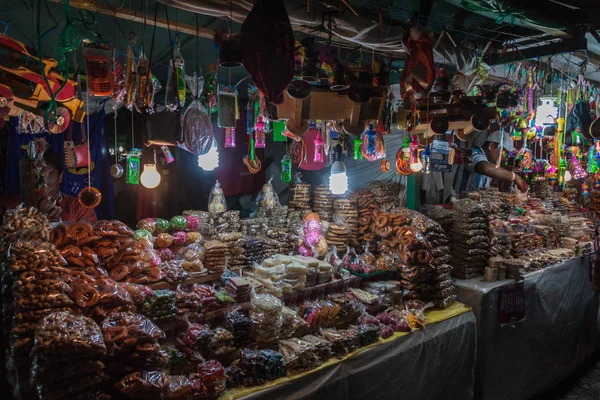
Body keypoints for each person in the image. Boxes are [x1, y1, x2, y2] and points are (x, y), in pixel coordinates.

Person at [0, 148, 97, 223]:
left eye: (50, 175)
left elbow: (89, 240)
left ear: (60, 176)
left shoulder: (79, 208)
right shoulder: (7, 205)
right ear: (26, 178)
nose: (43, 182)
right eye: (35, 176)